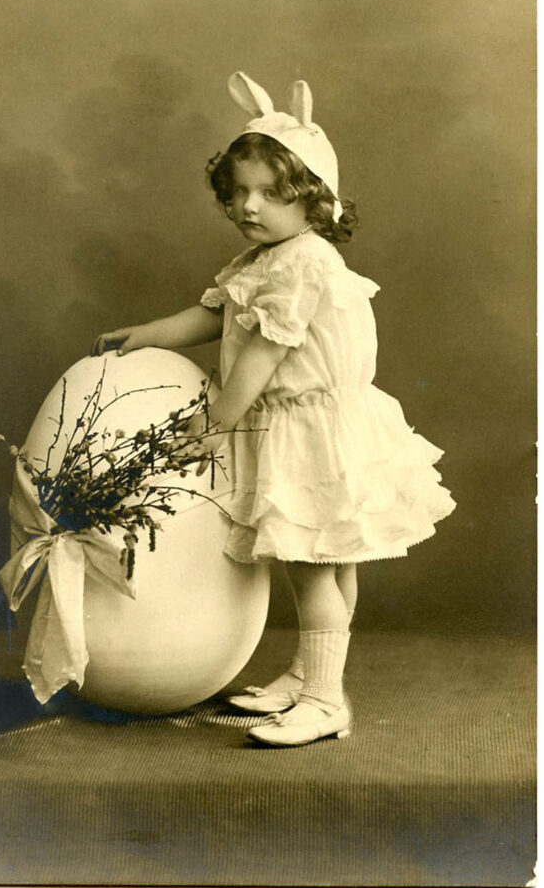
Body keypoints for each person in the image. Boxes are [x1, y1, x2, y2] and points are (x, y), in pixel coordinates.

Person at [92, 71, 456, 747]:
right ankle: (308, 676)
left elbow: (258, 357)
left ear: (315, 201)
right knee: (326, 561)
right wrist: (146, 334)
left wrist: (216, 424)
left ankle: (323, 700)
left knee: (313, 564)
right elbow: (210, 318)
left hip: (313, 427)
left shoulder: (302, 263)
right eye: (236, 194)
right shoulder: (263, 259)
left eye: (269, 193)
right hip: (310, 424)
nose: (247, 207)